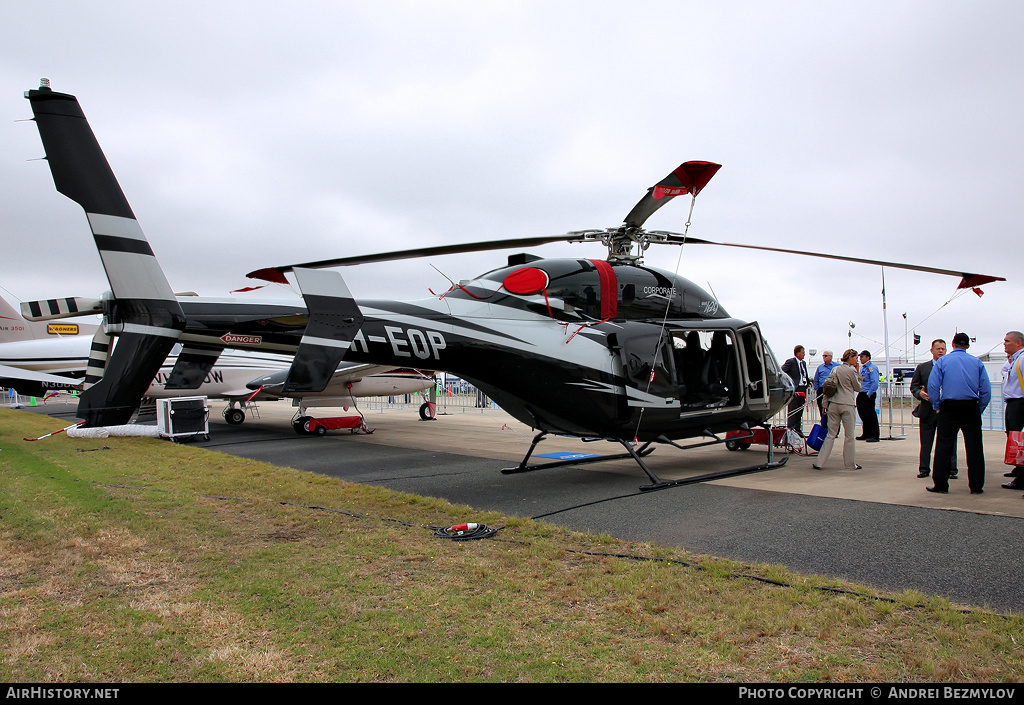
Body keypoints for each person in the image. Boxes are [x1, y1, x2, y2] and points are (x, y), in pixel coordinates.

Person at [926, 332, 991, 495]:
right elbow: (986, 390)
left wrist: (937, 405)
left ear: (952, 344)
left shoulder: (943, 361)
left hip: (949, 406)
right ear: (967, 346)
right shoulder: (976, 362)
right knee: (975, 448)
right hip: (971, 406)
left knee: (944, 446)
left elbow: (933, 386)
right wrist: (979, 408)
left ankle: (941, 484)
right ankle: (976, 486)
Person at [910, 339, 958, 480]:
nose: (941, 351)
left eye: (943, 348)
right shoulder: (923, 368)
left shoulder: (951, 366)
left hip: (946, 410)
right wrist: (920, 393)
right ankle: (924, 469)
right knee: (926, 443)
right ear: (932, 351)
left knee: (949, 441)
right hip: (928, 410)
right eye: (938, 348)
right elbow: (914, 386)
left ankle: (951, 469)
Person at [813, 349, 862, 470]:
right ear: (850, 357)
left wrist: (825, 404)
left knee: (830, 434)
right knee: (849, 435)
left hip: (833, 403)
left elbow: (828, 387)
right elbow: (858, 387)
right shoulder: (851, 370)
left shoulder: (835, 369)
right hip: (847, 404)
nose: (857, 360)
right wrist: (857, 371)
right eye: (855, 357)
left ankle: (820, 461)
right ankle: (850, 464)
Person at [999, 331, 1024, 490]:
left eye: (1007, 341)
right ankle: (1019, 470)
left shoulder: (1022, 360)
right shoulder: (1014, 360)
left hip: (1020, 403)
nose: (1004, 344)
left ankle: (1022, 478)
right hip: (1015, 403)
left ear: (1018, 343)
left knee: (1019, 441)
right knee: (1014, 439)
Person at [782, 345, 809, 434]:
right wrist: (790, 383)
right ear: (797, 353)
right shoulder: (791, 362)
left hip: (803, 388)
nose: (804, 354)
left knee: (800, 410)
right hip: (795, 389)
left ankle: (798, 429)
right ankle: (791, 428)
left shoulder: (803, 363)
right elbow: (783, 372)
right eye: (802, 352)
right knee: (793, 409)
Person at [813, 349, 840, 430]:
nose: (824, 357)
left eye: (826, 356)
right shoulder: (820, 367)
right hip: (822, 390)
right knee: (823, 409)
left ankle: (835, 429)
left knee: (834, 411)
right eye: (823, 356)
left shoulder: (837, 366)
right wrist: (818, 389)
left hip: (833, 390)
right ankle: (824, 428)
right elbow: (816, 379)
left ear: (831, 357)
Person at [856, 350, 880, 442]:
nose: (860, 359)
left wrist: (869, 394)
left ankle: (874, 435)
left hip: (868, 393)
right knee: (863, 414)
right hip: (862, 392)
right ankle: (866, 433)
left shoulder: (871, 368)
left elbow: (874, 383)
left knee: (870, 414)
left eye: (862, 357)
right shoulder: (863, 368)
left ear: (868, 357)